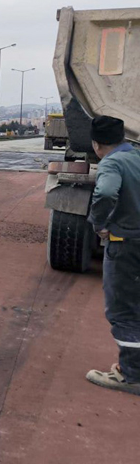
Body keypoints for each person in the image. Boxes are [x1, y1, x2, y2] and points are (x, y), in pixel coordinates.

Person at [85, 115, 140, 396]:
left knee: (123, 310)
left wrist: (99, 223)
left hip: (125, 246)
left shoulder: (112, 162)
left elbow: (106, 192)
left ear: (96, 145)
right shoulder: (137, 157)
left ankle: (131, 376)